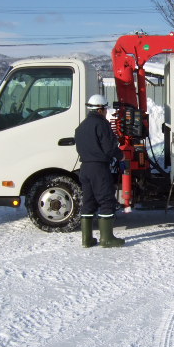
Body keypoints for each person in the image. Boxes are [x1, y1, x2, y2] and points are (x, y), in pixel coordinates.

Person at [74, 94, 125, 247]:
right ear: (101, 109)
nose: (106, 112)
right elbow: (109, 147)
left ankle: (87, 239)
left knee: (88, 202)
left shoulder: (81, 127)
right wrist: (120, 156)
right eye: (105, 109)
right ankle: (107, 239)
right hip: (99, 168)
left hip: (85, 168)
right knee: (106, 200)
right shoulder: (101, 124)